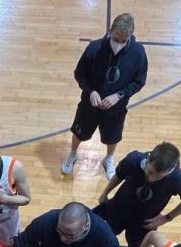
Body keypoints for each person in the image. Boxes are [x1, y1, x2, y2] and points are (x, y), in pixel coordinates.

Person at [61, 13, 148, 179]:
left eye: (123, 41)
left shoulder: (138, 53)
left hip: (116, 109)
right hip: (88, 106)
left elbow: (139, 81)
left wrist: (119, 95)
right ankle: (72, 153)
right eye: (116, 39)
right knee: (79, 133)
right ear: (110, 32)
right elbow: (80, 74)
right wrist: (90, 91)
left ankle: (108, 158)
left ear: (130, 36)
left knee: (112, 137)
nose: (119, 44)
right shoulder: (94, 48)